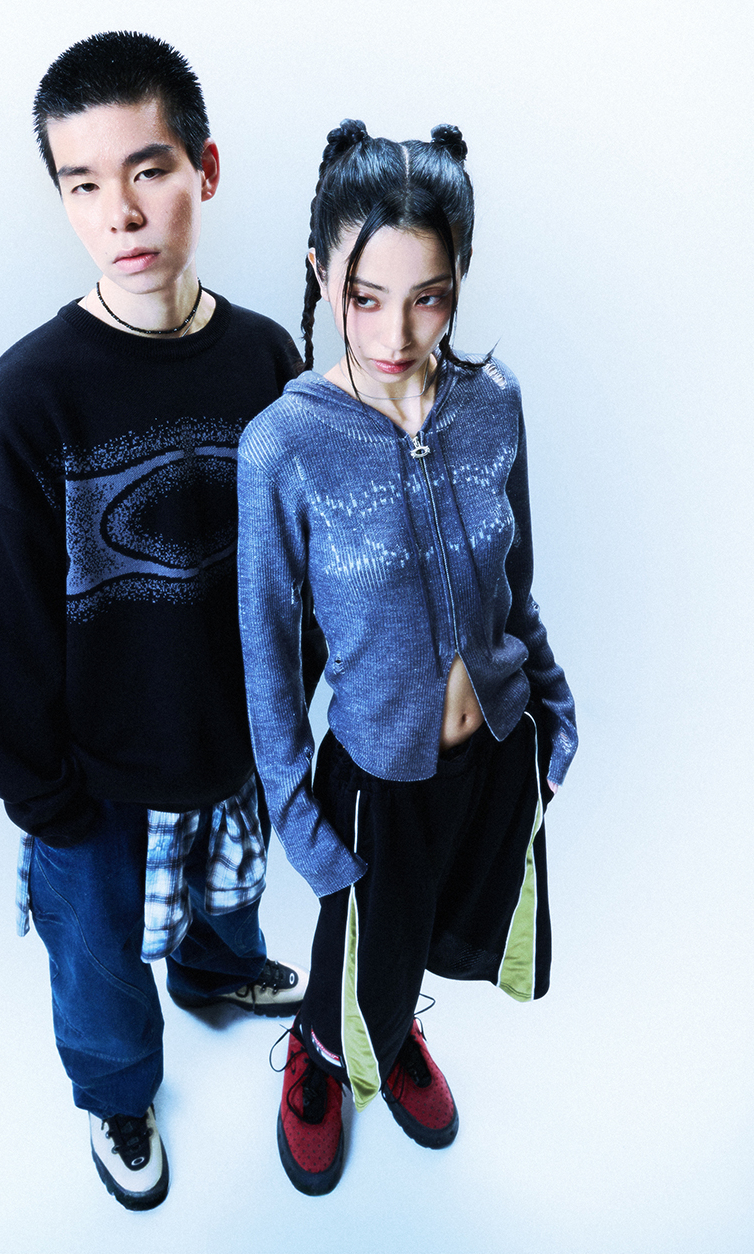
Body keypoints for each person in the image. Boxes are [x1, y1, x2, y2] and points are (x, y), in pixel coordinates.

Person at [0, 31, 318, 1212]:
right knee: (99, 956)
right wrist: (43, 794)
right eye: (83, 183)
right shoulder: (29, 397)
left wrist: (289, 703)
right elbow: (0, 622)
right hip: (93, 772)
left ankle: (217, 973)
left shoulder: (266, 358)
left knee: (231, 886)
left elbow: (302, 554)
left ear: (205, 168)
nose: (119, 211)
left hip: (233, 734)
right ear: (62, 199)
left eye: (148, 168)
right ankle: (117, 1093)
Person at [237, 120, 578, 1195]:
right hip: (378, 774)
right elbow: (267, 657)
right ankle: (323, 1051)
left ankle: (389, 1032)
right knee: (357, 946)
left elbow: (517, 583)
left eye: (429, 297)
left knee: (431, 929)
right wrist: (298, 817)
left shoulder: (495, 402)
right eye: (366, 296)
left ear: (461, 274)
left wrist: (557, 715)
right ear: (320, 274)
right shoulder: (283, 445)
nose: (397, 332)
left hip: (495, 752)